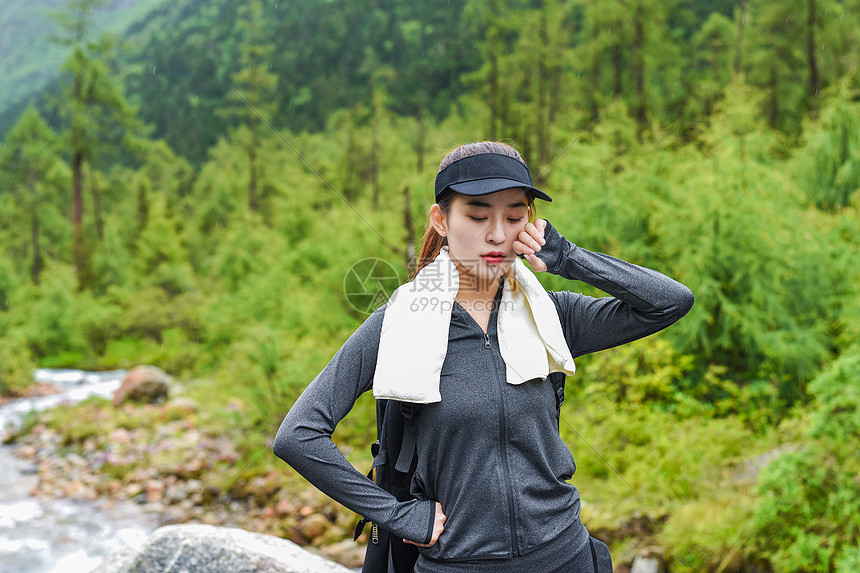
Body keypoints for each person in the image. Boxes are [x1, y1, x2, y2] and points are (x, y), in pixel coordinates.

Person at [273, 141, 694, 572]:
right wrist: (398, 516)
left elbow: (670, 302)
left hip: (566, 556)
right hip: (457, 564)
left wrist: (569, 258)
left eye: (514, 216)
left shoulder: (550, 315)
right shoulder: (397, 324)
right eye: (477, 216)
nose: (497, 234)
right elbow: (298, 435)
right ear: (441, 219)